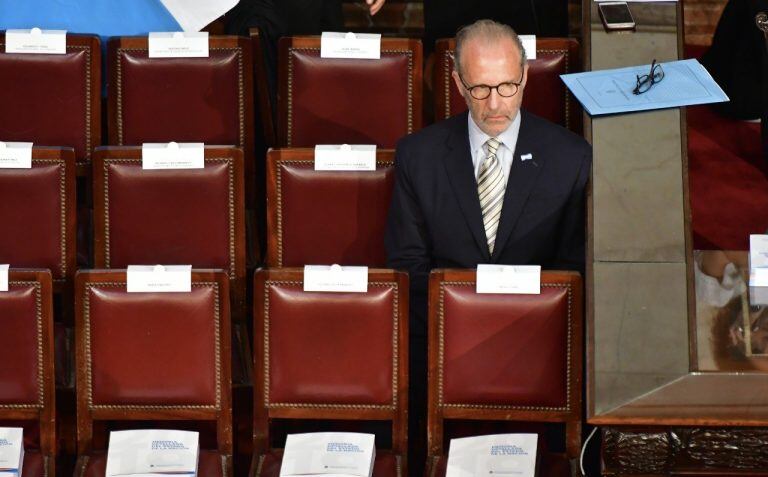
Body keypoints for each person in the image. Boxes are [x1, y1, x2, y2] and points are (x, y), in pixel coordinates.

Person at [384, 19, 591, 472]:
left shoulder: (571, 157)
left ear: (525, 78)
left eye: (507, 86)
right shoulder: (418, 156)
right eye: (479, 89)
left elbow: (573, 268)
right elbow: (407, 265)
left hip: (539, 344)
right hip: (444, 345)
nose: (495, 104)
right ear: (458, 82)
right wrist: (464, 323)